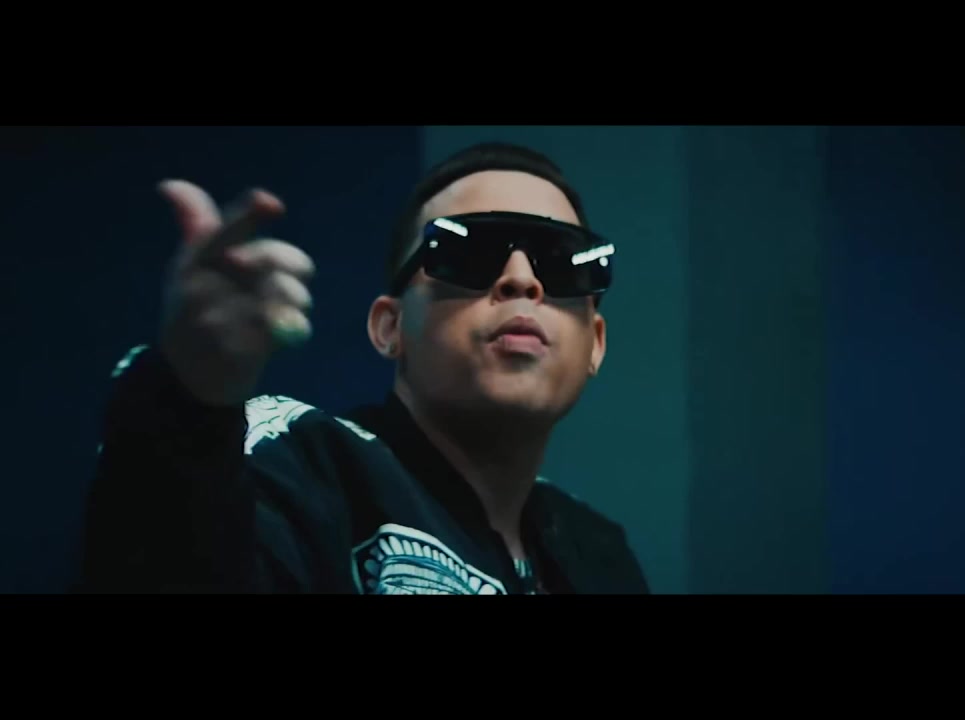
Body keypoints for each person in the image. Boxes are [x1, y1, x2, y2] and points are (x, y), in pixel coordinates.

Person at [79, 142, 650, 594]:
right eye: (469, 252)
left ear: (595, 343)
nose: (522, 279)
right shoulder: (295, 461)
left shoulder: (599, 552)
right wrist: (192, 391)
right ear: (389, 327)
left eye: (562, 263)